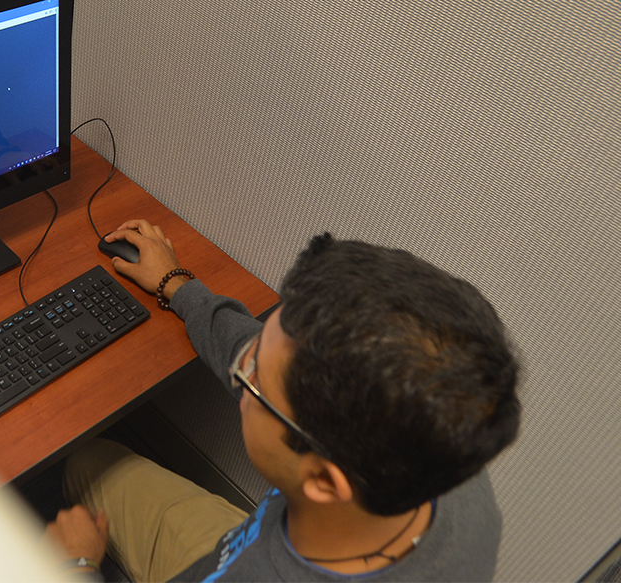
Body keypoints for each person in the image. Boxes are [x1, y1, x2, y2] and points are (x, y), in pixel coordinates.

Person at [47, 219, 521, 582]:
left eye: (252, 380)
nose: (238, 371)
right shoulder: (440, 448)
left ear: (323, 480)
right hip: (256, 539)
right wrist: (178, 285)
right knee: (86, 462)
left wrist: (79, 565)